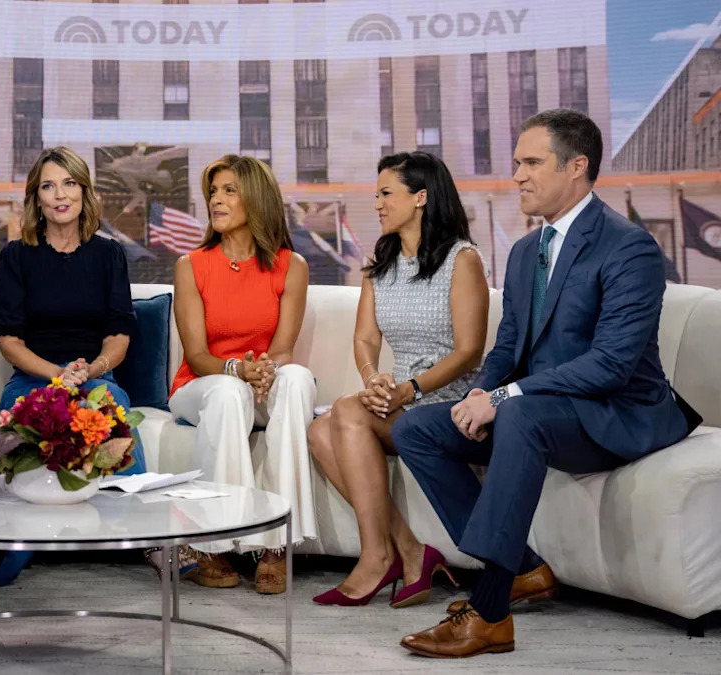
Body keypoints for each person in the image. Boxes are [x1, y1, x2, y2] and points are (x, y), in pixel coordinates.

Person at [392, 109, 702, 657]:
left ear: (576, 166)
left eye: (532, 163)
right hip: (544, 411)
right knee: (415, 428)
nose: (517, 175)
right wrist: (481, 391)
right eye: (517, 163)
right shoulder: (523, 252)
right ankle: (524, 570)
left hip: (618, 412)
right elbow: (509, 345)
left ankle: (490, 612)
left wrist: (505, 396)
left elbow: (611, 365)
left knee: (520, 413)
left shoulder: (628, 246)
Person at [308, 152, 489, 608]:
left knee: (345, 412)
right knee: (319, 431)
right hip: (400, 399)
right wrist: (372, 378)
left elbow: (469, 352)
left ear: (421, 197)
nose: (378, 204)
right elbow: (365, 338)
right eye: (377, 195)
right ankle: (407, 549)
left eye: (386, 194)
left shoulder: (462, 260)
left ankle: (377, 557)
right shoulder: (381, 262)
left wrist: (410, 388)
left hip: (448, 402)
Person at [0, 146, 145, 585]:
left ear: (84, 192)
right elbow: (9, 341)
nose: (60, 195)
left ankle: (147, 540)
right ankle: (1, 554)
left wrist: (92, 369)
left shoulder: (109, 255)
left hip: (94, 375)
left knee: (112, 406)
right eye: (48, 186)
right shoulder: (16, 256)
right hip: (33, 377)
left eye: (70, 183)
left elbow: (119, 334)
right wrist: (57, 375)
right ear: (36, 198)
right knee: (13, 424)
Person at [169, 154, 315, 595]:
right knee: (229, 393)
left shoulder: (292, 266)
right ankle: (213, 543)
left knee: (297, 379)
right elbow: (197, 356)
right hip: (202, 385)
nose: (216, 199)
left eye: (229, 190)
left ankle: (276, 543)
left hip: (261, 381)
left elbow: (284, 348)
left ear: (256, 199)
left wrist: (267, 371)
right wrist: (238, 370)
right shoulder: (192, 266)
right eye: (213, 191)